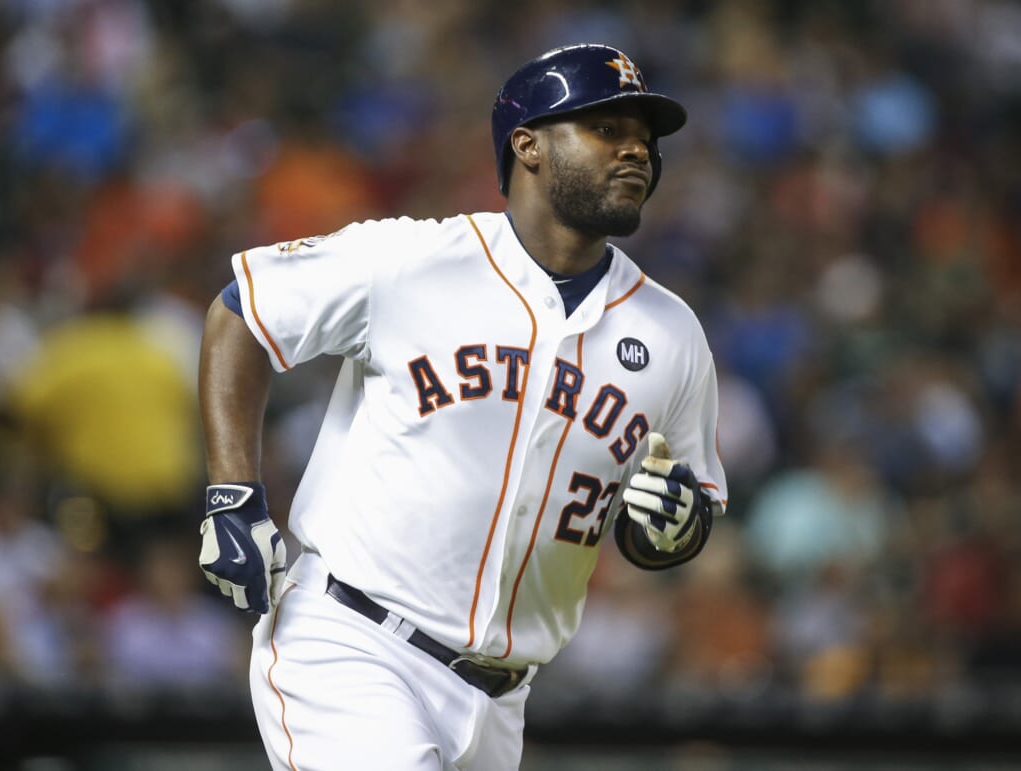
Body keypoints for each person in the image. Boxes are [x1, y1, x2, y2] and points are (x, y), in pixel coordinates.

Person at [197, 44, 727, 771]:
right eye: (607, 129)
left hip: (501, 702)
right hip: (353, 643)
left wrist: (672, 529)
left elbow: (674, 518)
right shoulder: (413, 261)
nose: (636, 149)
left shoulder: (672, 335)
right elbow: (243, 313)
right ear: (528, 145)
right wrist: (234, 491)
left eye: (645, 137)